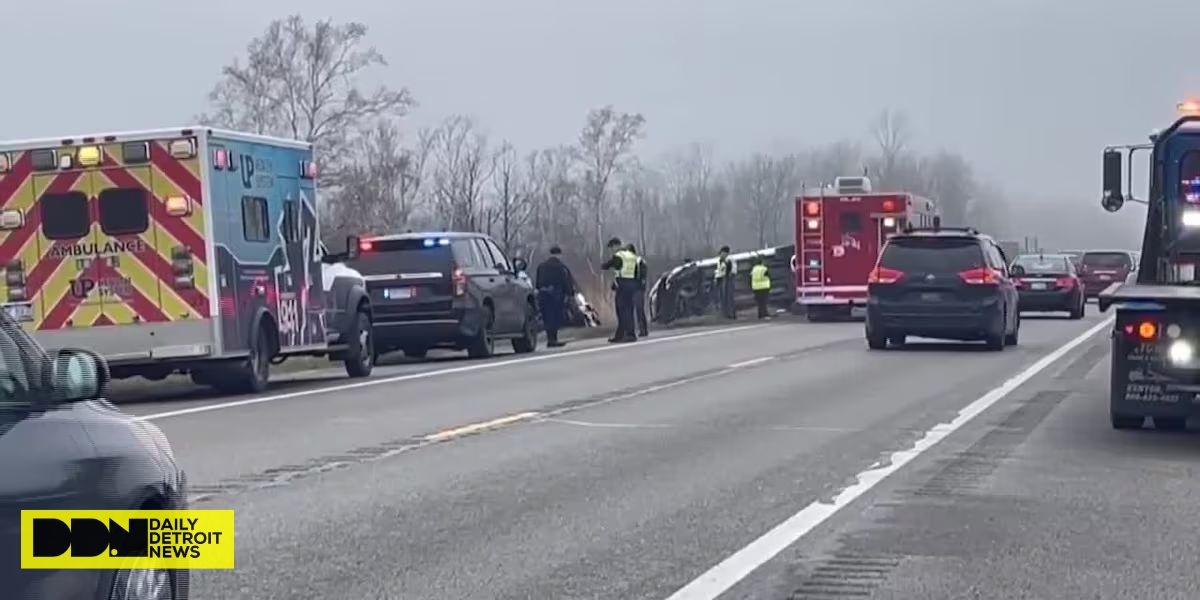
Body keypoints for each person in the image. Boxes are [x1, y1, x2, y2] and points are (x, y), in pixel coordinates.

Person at [600, 237, 639, 343]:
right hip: (632, 284)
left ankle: (629, 334)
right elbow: (635, 271)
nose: (612, 250)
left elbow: (612, 265)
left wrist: (604, 266)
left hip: (623, 285)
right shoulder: (632, 256)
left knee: (622, 310)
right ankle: (621, 334)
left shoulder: (619, 256)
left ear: (615, 246)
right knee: (629, 310)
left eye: (612, 248)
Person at [535, 245, 575, 347]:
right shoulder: (561, 267)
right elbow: (566, 282)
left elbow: (537, 284)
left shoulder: (541, 266)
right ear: (559, 254)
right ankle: (553, 340)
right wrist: (570, 294)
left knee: (547, 318)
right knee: (555, 317)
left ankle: (550, 339)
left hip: (543, 295)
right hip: (556, 296)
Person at [628, 243, 649, 337]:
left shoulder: (639, 261)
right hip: (632, 289)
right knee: (632, 310)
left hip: (638, 289)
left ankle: (643, 330)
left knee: (639, 309)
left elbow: (642, 275)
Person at [713, 245, 736, 319]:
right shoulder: (722, 260)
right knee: (724, 298)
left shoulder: (728, 260)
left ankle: (730, 314)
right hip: (722, 279)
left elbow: (728, 270)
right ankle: (726, 314)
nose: (721, 254)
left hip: (727, 279)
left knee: (729, 297)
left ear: (725, 253)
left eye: (722, 253)